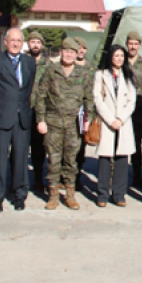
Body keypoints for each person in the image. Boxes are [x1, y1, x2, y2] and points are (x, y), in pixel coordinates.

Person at [0, 28, 37, 212]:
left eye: (19, 40)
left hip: (22, 119)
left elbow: (27, 89)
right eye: (12, 40)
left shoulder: (29, 62)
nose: (15, 43)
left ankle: (19, 195)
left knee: (20, 160)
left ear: (23, 43)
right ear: (5, 41)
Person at [36, 37, 95, 211]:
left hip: (73, 124)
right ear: (61, 52)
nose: (69, 55)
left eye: (72, 52)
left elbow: (88, 99)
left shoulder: (83, 73)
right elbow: (41, 96)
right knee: (54, 160)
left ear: (77, 54)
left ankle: (70, 195)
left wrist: (87, 120)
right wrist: (41, 120)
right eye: (66, 51)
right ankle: (53, 195)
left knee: (71, 161)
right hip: (53, 122)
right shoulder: (51, 71)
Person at [93, 44, 137, 207]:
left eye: (121, 56)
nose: (119, 58)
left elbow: (132, 101)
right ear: (110, 56)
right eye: (116, 55)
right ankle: (102, 194)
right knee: (105, 159)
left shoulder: (128, 75)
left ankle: (119, 194)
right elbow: (97, 98)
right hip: (107, 121)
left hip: (123, 122)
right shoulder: (101, 75)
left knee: (121, 158)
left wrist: (121, 118)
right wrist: (110, 119)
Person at [125, 31, 142, 190]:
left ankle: (136, 176)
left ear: (139, 45)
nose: (133, 46)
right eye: (131, 43)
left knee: (137, 144)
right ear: (127, 44)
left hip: (139, 108)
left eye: (136, 44)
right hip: (122, 108)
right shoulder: (120, 61)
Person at [26, 31, 52, 196]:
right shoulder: (21, 61)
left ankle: (37, 179)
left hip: (40, 111)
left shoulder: (48, 64)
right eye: (32, 41)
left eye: (38, 42)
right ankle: (18, 180)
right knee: (19, 149)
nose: (35, 45)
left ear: (42, 45)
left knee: (39, 149)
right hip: (23, 110)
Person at [72, 36, 95, 192]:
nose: (81, 50)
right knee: (65, 148)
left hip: (84, 114)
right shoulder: (65, 65)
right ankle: (63, 177)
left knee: (80, 149)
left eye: (83, 48)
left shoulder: (91, 69)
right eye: (78, 47)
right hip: (67, 113)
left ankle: (76, 177)